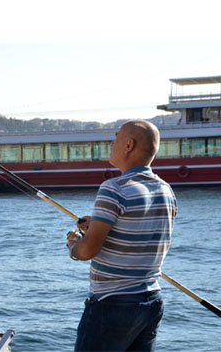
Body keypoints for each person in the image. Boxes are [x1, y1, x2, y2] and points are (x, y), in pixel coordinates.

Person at [66, 120, 177, 352]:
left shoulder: (113, 188)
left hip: (112, 304)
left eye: (115, 138)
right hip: (151, 301)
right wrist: (98, 226)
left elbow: (88, 251)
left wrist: (74, 246)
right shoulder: (166, 190)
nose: (111, 143)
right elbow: (139, 230)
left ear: (128, 145)